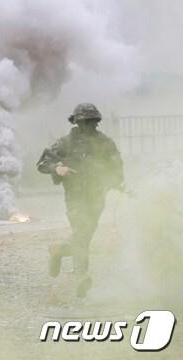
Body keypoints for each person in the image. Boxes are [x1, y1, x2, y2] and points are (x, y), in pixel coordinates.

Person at [37, 103, 124, 298]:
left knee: (83, 235)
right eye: (84, 123)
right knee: (82, 232)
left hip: (96, 198)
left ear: (97, 122)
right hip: (75, 197)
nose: (88, 127)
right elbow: (42, 163)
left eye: (92, 122)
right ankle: (80, 276)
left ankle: (58, 250)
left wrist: (113, 180)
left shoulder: (105, 143)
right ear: (76, 122)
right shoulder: (65, 143)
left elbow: (118, 170)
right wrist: (57, 168)